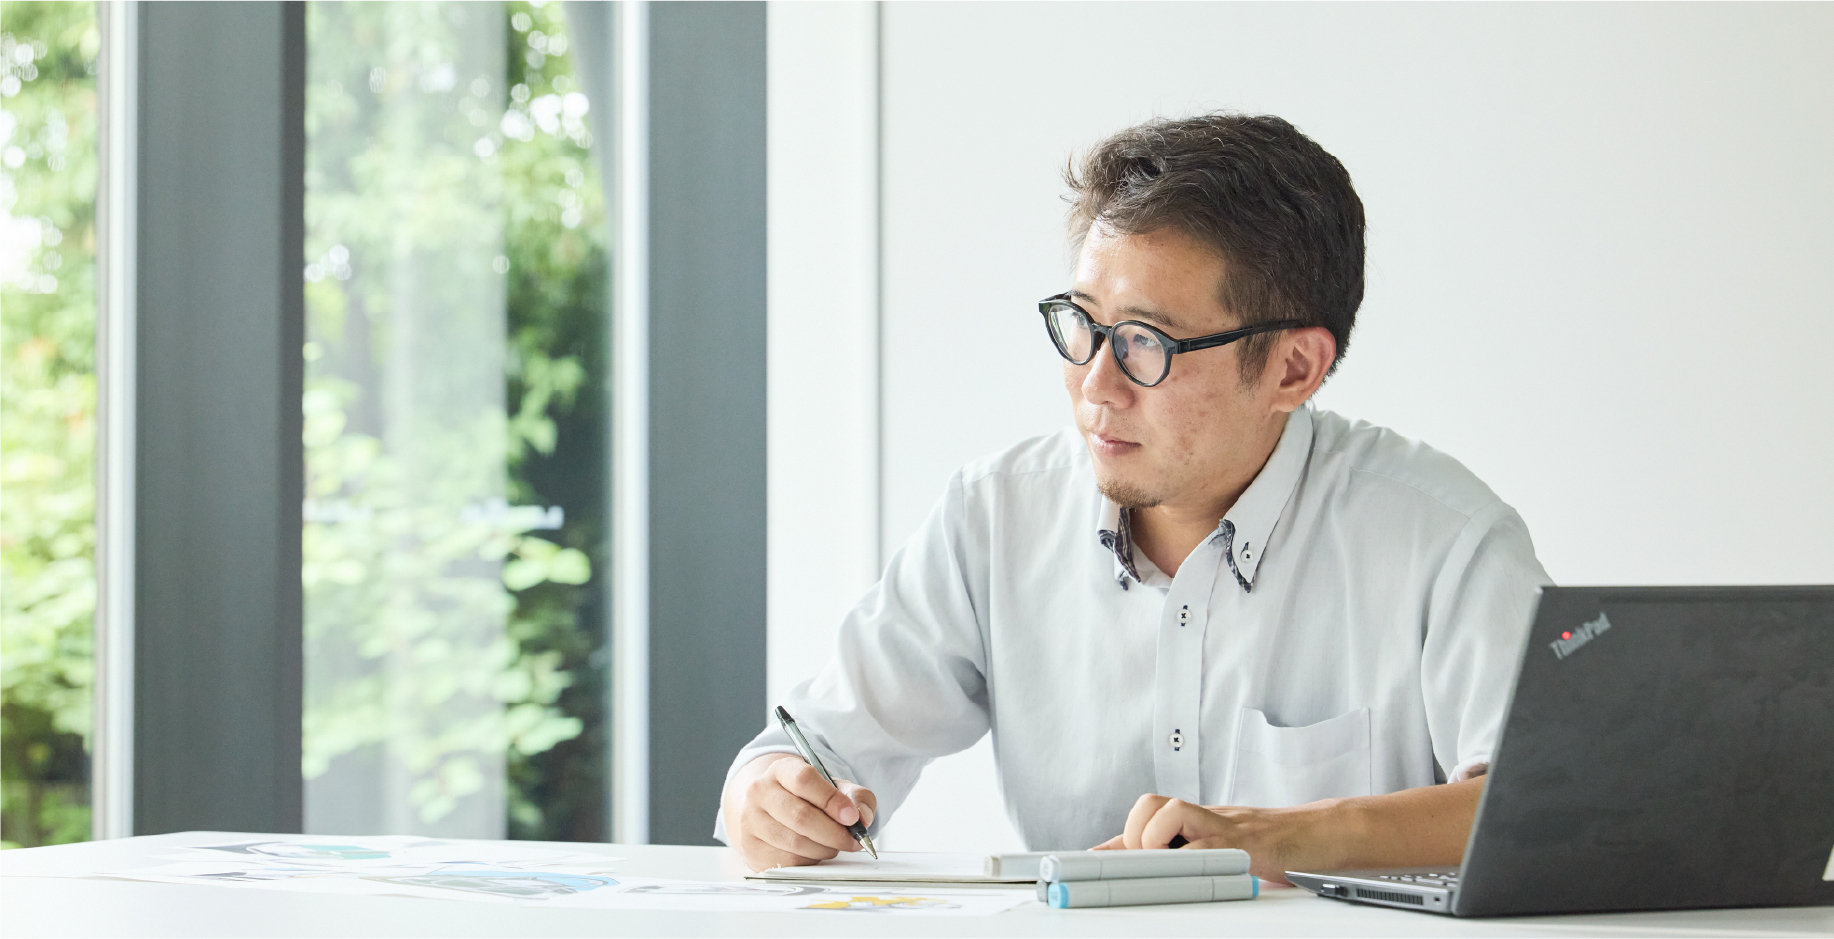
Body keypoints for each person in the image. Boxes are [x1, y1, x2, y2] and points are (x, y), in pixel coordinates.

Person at [715, 113, 1550, 883]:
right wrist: (771, 794)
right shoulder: (997, 516)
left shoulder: (1447, 541)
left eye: (1146, 342)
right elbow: (807, 749)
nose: (1096, 385)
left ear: (1293, 369)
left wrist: (1286, 836)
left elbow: (1547, 807)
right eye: (1082, 324)